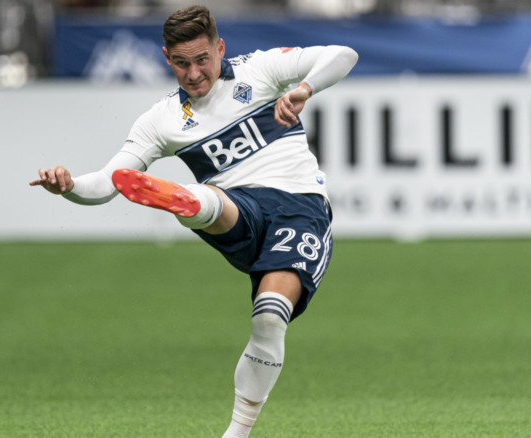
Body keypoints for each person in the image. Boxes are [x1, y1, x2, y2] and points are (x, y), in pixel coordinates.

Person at [31, 5, 357, 437]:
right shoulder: (161, 120)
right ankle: (191, 203)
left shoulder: (257, 70)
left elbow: (343, 53)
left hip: (300, 207)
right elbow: (108, 183)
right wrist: (69, 184)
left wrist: (304, 89)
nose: (194, 74)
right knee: (217, 202)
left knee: (268, 320)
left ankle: (234, 434)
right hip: (240, 208)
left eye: (202, 59)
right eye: (181, 63)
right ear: (167, 58)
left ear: (219, 48)